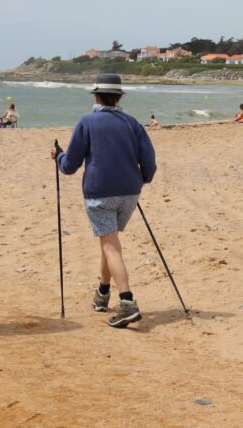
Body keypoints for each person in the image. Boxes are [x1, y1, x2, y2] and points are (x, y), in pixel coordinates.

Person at [51, 73, 157, 329]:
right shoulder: (132, 123)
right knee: (108, 240)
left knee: (110, 246)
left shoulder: (87, 122)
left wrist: (58, 156)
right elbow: (150, 162)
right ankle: (102, 293)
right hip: (130, 192)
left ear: (96, 96)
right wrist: (140, 179)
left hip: (100, 192)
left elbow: (70, 166)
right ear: (118, 97)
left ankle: (127, 302)